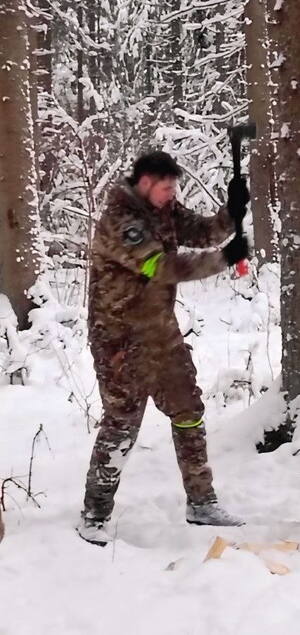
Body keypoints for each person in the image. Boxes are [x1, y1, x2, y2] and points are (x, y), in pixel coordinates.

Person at [78, 150, 250, 545]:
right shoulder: (121, 222)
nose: (172, 195)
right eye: (166, 188)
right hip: (119, 339)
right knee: (122, 423)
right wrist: (224, 259)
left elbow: (204, 232)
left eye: (174, 188)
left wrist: (232, 211)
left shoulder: (164, 210)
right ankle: (94, 513)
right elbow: (160, 268)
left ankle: (202, 502)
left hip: (161, 332)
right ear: (145, 183)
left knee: (188, 411)